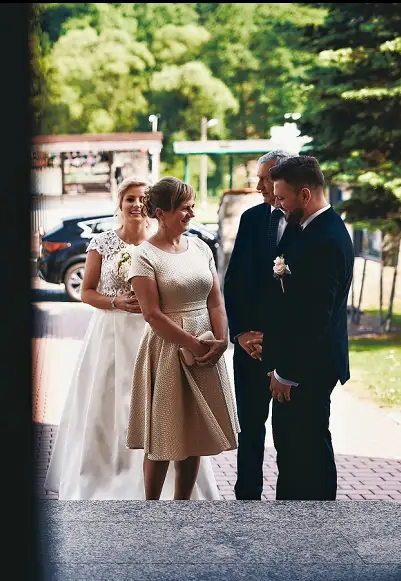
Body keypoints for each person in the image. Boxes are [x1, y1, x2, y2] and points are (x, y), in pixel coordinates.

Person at [45, 178, 222, 500]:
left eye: (142, 198)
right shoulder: (104, 243)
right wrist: (116, 302)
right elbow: (86, 292)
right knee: (111, 401)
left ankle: (175, 487)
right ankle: (106, 474)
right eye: (130, 199)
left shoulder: (170, 246)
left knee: (165, 407)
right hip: (113, 333)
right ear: (120, 203)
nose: (136, 204)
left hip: (157, 331)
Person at [126, 177, 240, 500]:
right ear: (161, 213)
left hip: (206, 347)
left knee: (193, 433)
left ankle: (182, 507)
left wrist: (221, 341)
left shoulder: (201, 248)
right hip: (167, 351)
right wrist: (191, 344)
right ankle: (151, 509)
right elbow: (152, 314)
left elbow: (215, 300)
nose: (191, 214)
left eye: (192, 207)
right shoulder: (144, 256)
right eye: (184, 208)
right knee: (164, 433)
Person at [263, 155, 354, 500]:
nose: (278, 205)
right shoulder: (309, 229)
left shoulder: (326, 240)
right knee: (296, 448)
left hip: (309, 367)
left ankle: (310, 528)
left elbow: (314, 317)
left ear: (304, 195)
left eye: (282, 198)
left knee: (306, 451)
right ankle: (299, 527)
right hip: (303, 361)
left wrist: (287, 373)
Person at [221, 149, 295, 500]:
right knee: (250, 431)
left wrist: (278, 339)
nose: (259, 184)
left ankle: (286, 507)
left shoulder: (303, 222)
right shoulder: (251, 219)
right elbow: (233, 282)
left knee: (288, 434)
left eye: (266, 177)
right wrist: (240, 333)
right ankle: (246, 501)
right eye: (259, 177)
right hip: (249, 349)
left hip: (286, 349)